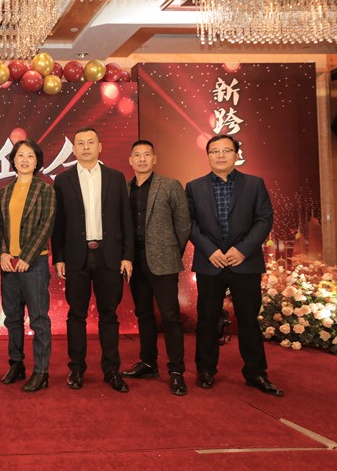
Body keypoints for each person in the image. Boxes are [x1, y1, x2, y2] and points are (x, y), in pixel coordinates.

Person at [186, 134, 282, 396]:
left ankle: (256, 373)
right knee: (207, 320)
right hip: (210, 263)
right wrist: (210, 251)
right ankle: (206, 370)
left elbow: (264, 219)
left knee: (249, 320)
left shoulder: (254, 184)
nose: (220, 155)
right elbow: (190, 223)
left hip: (245, 262)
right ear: (207, 156)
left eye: (226, 150)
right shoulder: (194, 187)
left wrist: (243, 250)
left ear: (236, 154)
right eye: (214, 151)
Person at [51, 127, 133, 393]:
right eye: (80, 143)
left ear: (100, 147)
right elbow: (58, 223)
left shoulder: (115, 178)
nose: (85, 147)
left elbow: (126, 219)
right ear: (74, 149)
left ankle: (111, 370)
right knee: (76, 315)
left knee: (109, 315)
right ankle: (77, 369)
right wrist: (59, 257)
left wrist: (127, 256)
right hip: (77, 256)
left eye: (90, 142)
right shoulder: (62, 180)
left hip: (109, 256)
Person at [119, 140, 191, 396]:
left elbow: (184, 224)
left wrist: (171, 251)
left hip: (164, 260)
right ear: (130, 160)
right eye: (137, 155)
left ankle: (176, 371)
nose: (142, 159)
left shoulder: (170, 185)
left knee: (170, 317)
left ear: (154, 159)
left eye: (146, 155)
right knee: (143, 314)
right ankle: (148, 363)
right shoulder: (124, 189)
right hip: (134, 261)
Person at [0, 139, 56, 392]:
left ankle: (41, 371)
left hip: (34, 263)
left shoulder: (45, 190)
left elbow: (46, 225)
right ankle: (16, 363)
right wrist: (2, 253)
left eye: (30, 156)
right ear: (13, 160)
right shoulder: (4, 192)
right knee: (12, 317)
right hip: (9, 264)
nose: (24, 160)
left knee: (39, 319)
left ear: (37, 161)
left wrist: (26, 257)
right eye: (20, 155)